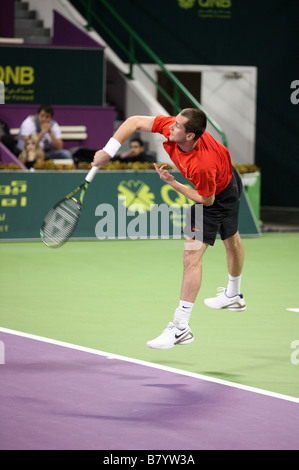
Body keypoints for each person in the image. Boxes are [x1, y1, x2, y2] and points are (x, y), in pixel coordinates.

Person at [91, 108, 245, 350]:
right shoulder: (175, 129)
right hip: (228, 178)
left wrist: (174, 184)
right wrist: (108, 152)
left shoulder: (202, 165)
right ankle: (234, 294)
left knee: (191, 254)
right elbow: (134, 121)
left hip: (215, 195)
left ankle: (181, 326)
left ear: (190, 137)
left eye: (177, 126)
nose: (171, 127)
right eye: (173, 123)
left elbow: (207, 200)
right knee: (231, 238)